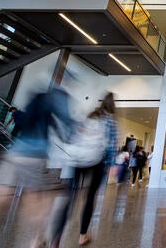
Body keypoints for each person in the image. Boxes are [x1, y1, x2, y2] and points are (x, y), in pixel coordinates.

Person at [0, 85, 74, 248]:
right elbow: (68, 131)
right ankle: (39, 239)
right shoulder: (59, 99)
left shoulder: (37, 97)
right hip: (34, 156)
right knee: (33, 203)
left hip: (15, 152)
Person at [50, 92, 118, 247]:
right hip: (96, 161)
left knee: (70, 197)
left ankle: (56, 238)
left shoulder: (91, 116)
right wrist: (112, 164)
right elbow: (112, 144)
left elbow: (74, 135)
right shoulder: (110, 120)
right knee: (90, 197)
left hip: (78, 160)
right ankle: (82, 235)